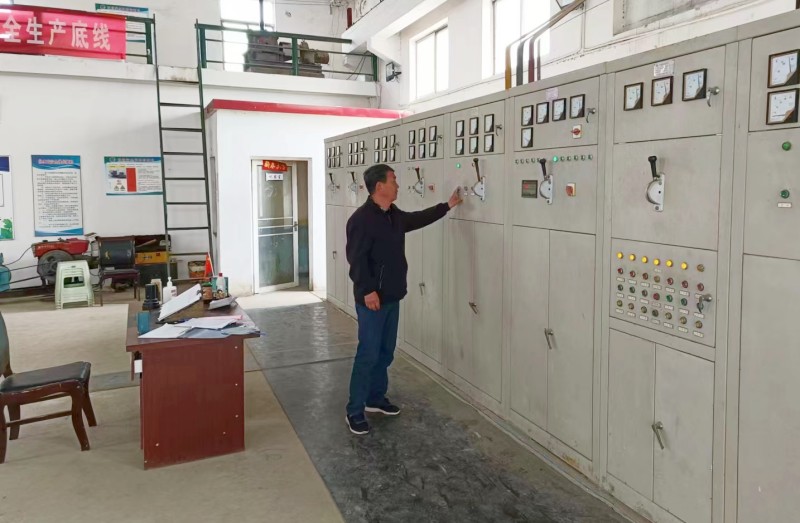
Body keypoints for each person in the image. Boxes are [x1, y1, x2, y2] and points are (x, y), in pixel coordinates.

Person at [344, 163, 463, 435]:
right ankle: (354, 410)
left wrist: (446, 206)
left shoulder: (392, 215)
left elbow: (415, 219)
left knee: (385, 352)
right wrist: (367, 290)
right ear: (380, 186)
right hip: (372, 300)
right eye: (393, 180)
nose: (398, 185)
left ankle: (375, 399)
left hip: (391, 296)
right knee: (368, 354)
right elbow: (356, 260)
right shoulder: (361, 220)